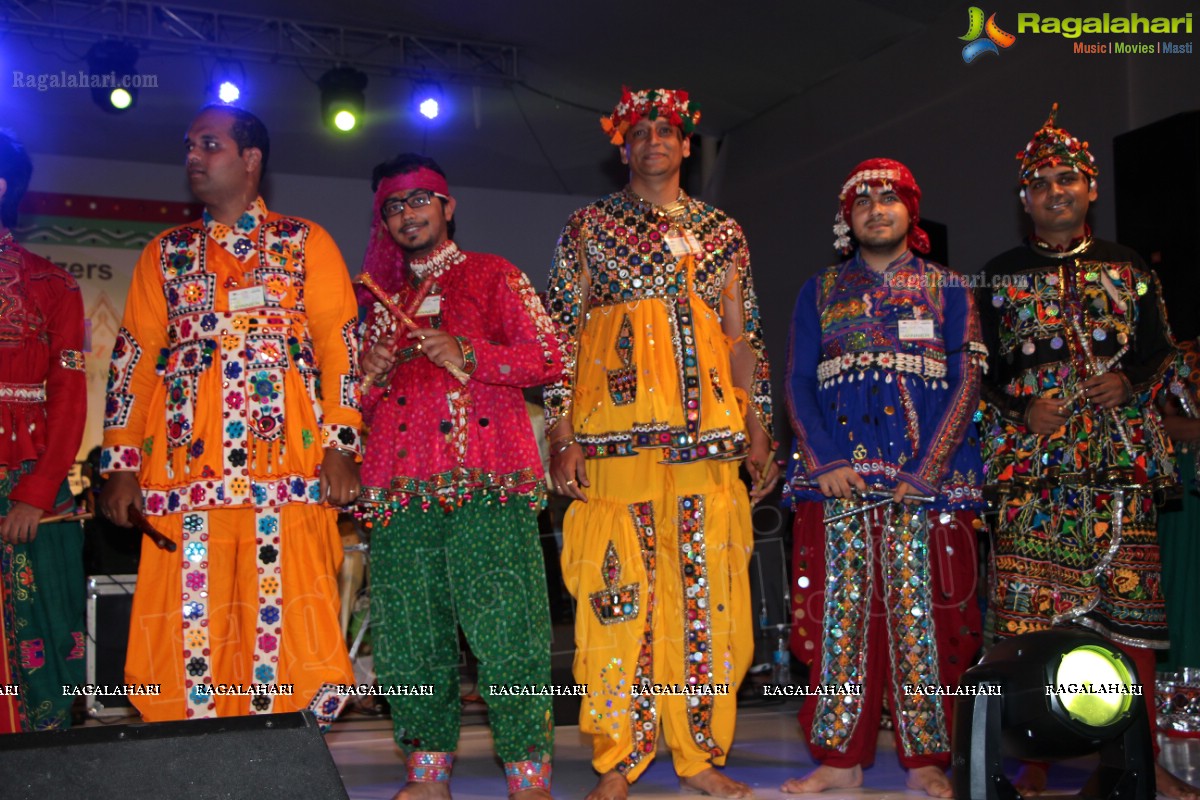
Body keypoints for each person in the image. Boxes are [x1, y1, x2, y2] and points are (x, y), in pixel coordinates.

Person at [544, 86, 777, 800]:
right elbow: (556, 336)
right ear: (622, 143)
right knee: (615, 593)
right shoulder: (587, 227)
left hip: (707, 441)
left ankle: (698, 753)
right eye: (639, 130)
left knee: (706, 597)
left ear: (686, 144)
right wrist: (559, 431)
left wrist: (759, 422)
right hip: (614, 442)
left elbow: (744, 338)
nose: (653, 140)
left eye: (666, 130)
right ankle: (619, 757)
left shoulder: (722, 230)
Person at [98, 105, 359, 722]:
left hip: (286, 473)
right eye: (188, 145)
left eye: (208, 144)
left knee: (291, 615)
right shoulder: (166, 253)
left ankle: (285, 756)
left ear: (250, 160)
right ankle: (194, 761)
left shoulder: (305, 242)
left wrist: (341, 446)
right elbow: (131, 360)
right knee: (192, 626)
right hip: (186, 477)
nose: (192, 156)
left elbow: (339, 345)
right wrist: (121, 464)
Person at [978, 104, 1198, 799]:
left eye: (1067, 178)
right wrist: (1021, 408)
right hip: (1032, 471)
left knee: (1128, 619)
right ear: (1024, 199)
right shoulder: (999, 273)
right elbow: (976, 370)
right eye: (1040, 182)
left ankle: (1140, 764)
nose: (1055, 190)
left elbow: (1160, 348)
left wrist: (1125, 379)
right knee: (1026, 619)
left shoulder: (1127, 266)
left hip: (1116, 465)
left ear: (1091, 188)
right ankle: (1029, 763)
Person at [356, 153, 564, 800]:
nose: (407, 214)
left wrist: (469, 353)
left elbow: (550, 355)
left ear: (448, 207)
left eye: (420, 200)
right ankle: (428, 775)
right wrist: (370, 373)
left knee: (508, 631)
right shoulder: (380, 305)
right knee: (409, 635)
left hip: (487, 481)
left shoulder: (492, 275)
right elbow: (350, 403)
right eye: (393, 205)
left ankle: (528, 776)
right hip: (399, 489)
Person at [779, 159, 986, 797]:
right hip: (839, 480)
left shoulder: (949, 288)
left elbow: (966, 381)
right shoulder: (818, 291)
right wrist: (824, 460)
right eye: (862, 201)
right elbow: (796, 381)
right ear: (848, 219)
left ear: (910, 211)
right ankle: (840, 757)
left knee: (930, 614)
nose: (876, 208)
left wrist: (927, 471)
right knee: (838, 614)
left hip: (924, 484)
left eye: (889, 198)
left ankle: (927, 756)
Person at [0, 129, 87, 732]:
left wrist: (36, 491)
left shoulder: (53, 286)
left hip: (26, 481)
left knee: (39, 630)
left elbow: (69, 396)